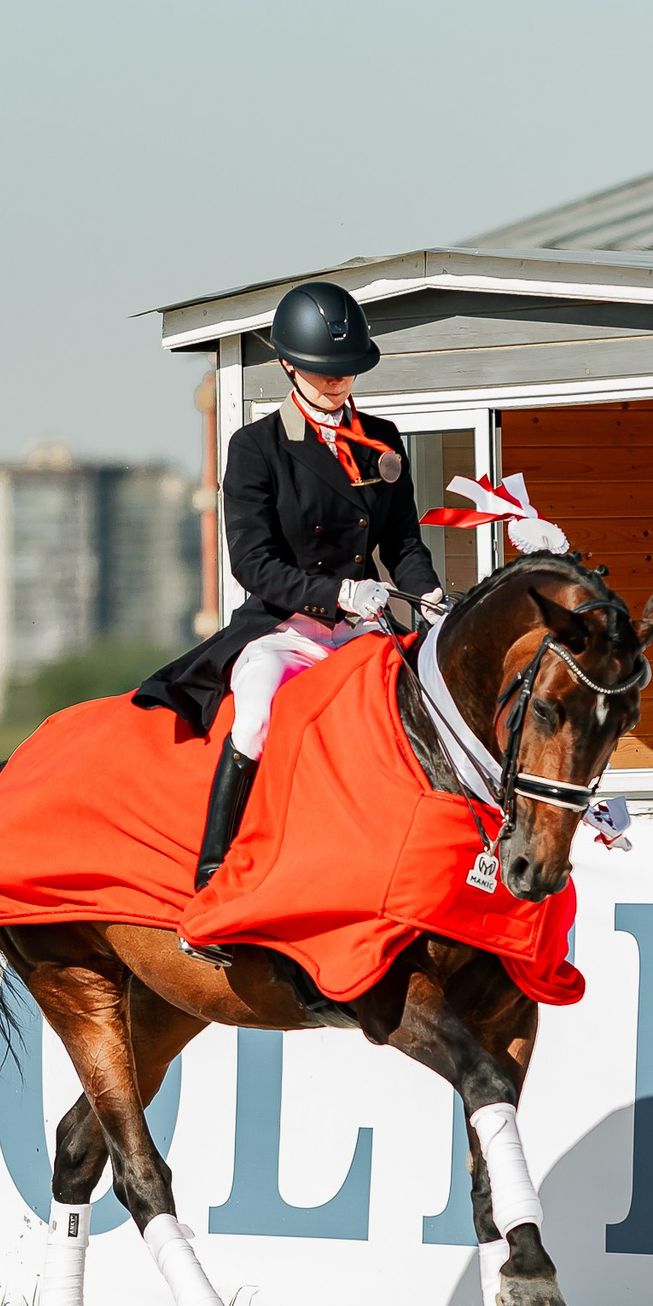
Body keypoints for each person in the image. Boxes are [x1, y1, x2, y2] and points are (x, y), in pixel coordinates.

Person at [133, 280, 442, 965]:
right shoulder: (256, 448)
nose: (339, 383)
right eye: (325, 372)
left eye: (347, 370)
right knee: (257, 711)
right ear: (290, 368)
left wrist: (428, 595)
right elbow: (253, 561)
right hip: (286, 626)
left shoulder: (380, 440)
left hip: (362, 629)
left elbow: (404, 543)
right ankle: (212, 885)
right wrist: (338, 593)